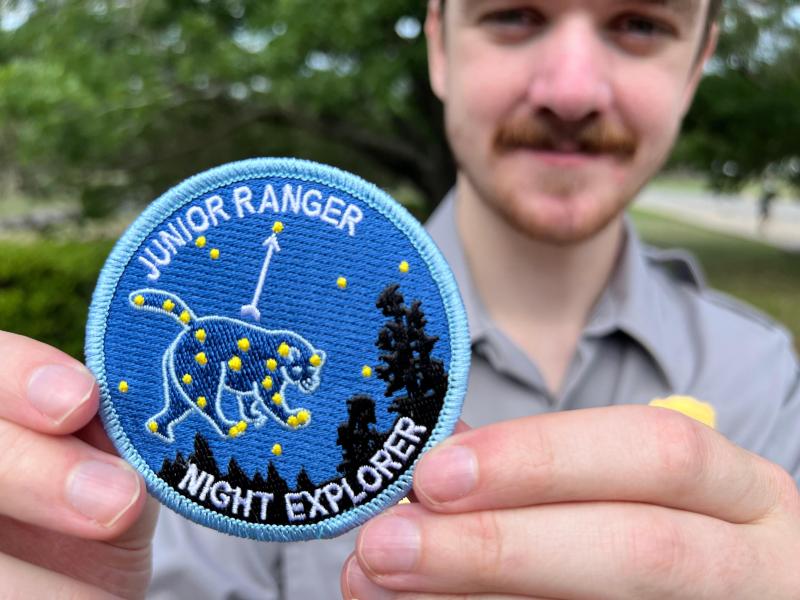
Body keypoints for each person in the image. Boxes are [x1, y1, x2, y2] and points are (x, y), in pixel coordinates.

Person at [1, 0, 798, 597]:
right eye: (515, 15)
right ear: (441, 45)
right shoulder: (160, 438)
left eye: (640, 24)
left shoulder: (759, 374)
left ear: (698, 66)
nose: (571, 89)